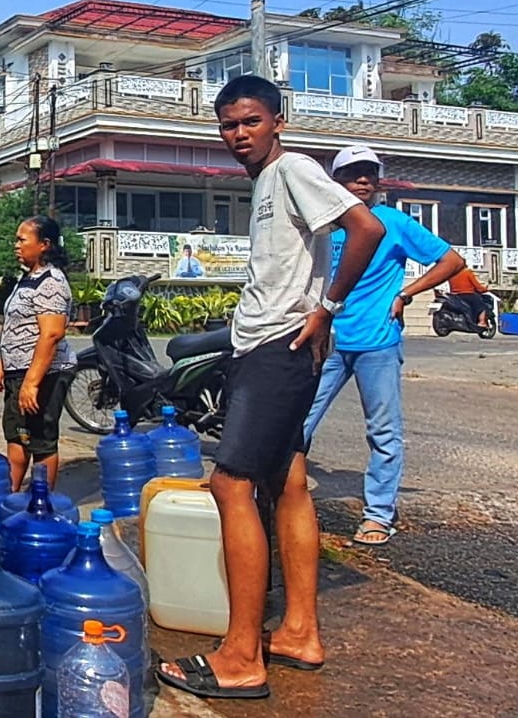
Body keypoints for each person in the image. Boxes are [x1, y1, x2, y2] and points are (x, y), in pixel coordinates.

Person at [158, 76, 385, 701]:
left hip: (277, 349)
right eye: (228, 125)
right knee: (287, 480)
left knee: (231, 483)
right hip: (263, 343)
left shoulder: (293, 170)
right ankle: (299, 632)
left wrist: (328, 306)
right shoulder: (267, 182)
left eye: (251, 122)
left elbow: (365, 229)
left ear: (277, 122)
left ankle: (240, 655)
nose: (238, 135)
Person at [301, 145, 467, 547]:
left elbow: (451, 260)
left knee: (383, 432)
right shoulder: (323, 225)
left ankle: (378, 515)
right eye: (353, 174)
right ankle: (280, 497)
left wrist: (407, 293)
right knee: (297, 422)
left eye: (369, 174)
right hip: (328, 339)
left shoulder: (392, 222)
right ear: (334, 181)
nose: (362, 181)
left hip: (377, 341)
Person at [0, 215, 75, 491]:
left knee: (40, 440)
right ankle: (11, 497)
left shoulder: (51, 282)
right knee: (17, 436)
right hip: (19, 371)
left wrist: (32, 382)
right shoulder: (26, 278)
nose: (16, 245)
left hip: (45, 373)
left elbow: (52, 333)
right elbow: (17, 323)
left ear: (44, 245)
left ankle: (42, 504)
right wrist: (2, 363)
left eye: (22, 239)